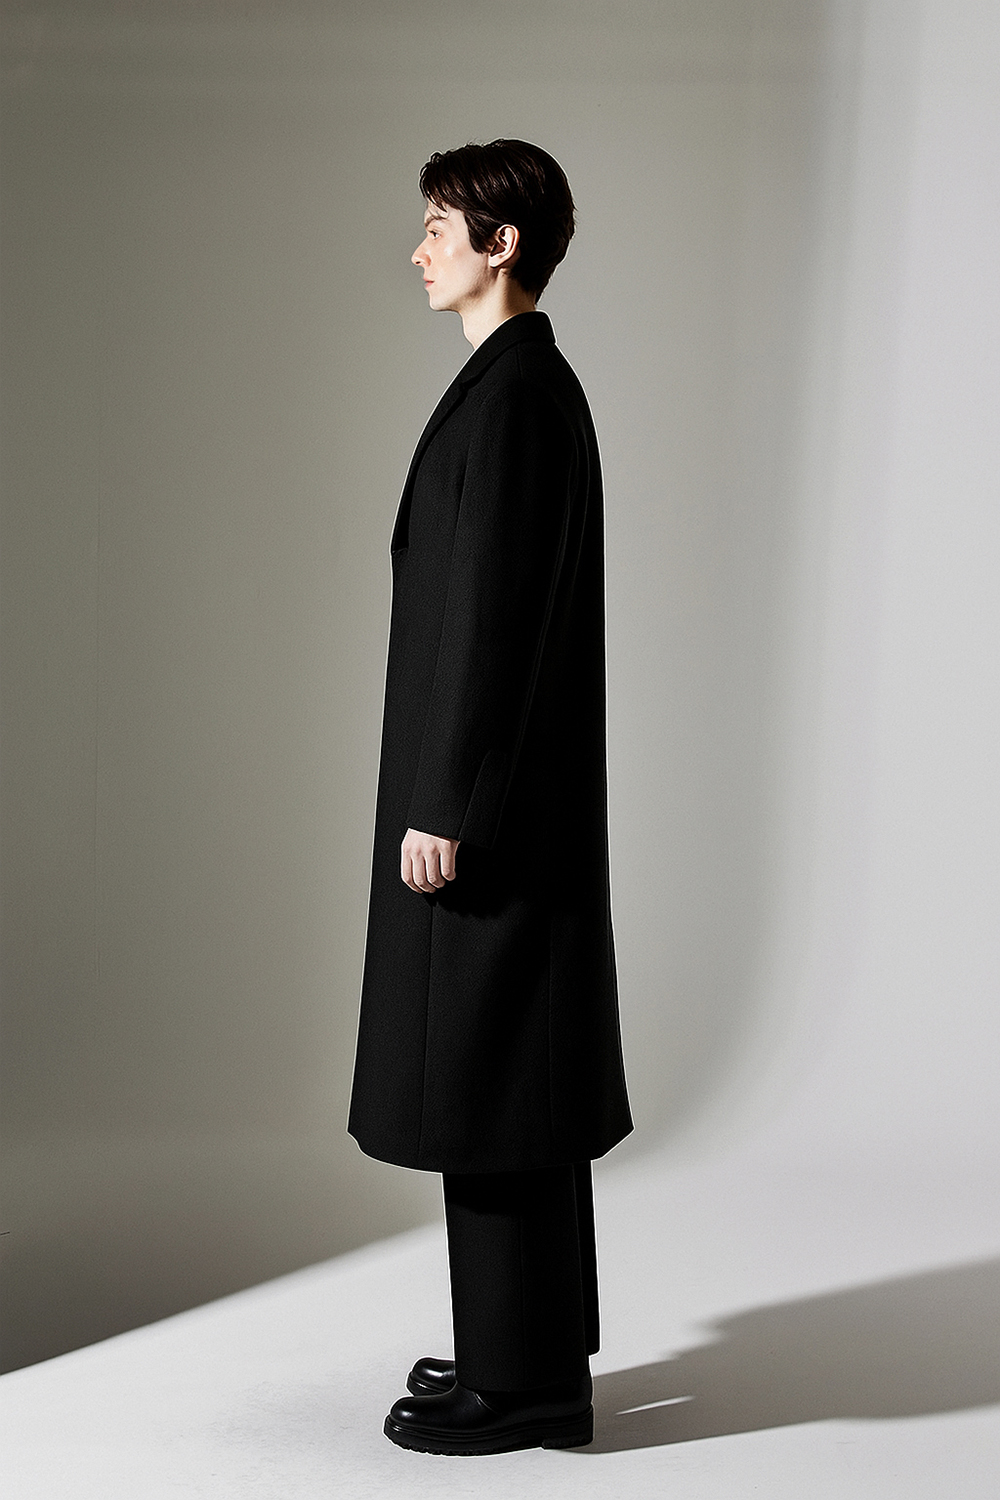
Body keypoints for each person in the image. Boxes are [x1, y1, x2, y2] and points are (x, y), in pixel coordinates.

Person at [347, 139, 632, 1456]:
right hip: (515, 803)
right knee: (516, 1074)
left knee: (493, 1077)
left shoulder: (517, 398)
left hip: (489, 813)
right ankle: (533, 1354)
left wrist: (446, 803)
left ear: (499, 242)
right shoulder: (519, 386)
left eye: (436, 225)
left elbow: (494, 623)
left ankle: (520, 1389)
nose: (419, 249)